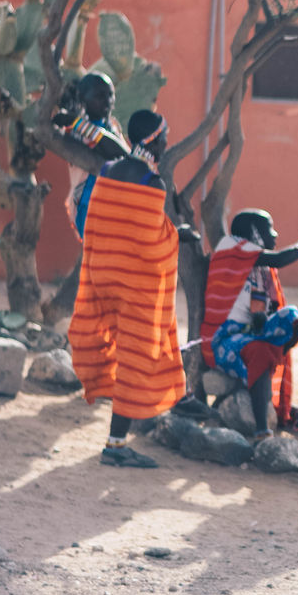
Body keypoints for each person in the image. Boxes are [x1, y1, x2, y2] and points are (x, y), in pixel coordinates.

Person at [68, 109, 186, 467]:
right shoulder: (153, 184)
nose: (167, 142)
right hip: (135, 284)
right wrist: (177, 237)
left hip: (104, 274)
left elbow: (105, 223)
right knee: (135, 357)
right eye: (164, 136)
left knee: (119, 353)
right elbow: (152, 240)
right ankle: (116, 446)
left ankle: (120, 434)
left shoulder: (109, 171)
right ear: (153, 139)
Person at [202, 210, 298, 439]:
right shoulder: (231, 247)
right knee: (261, 351)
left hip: (250, 335)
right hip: (223, 340)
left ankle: (267, 360)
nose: (275, 234)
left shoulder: (257, 266)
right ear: (254, 233)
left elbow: (268, 309)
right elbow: (280, 258)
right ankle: (261, 429)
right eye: (269, 229)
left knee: (290, 317)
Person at [54, 72, 129, 238]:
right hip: (88, 204)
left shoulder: (111, 126)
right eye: (100, 95)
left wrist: (78, 123)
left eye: (110, 95)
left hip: (117, 204)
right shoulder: (73, 131)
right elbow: (110, 151)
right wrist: (77, 124)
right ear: (82, 97)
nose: (107, 100)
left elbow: (123, 154)